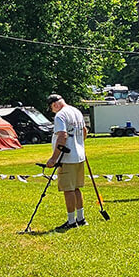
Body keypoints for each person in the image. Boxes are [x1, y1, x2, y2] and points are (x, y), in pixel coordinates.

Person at [45, 93, 88, 231]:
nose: (53, 111)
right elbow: (84, 131)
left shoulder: (60, 115)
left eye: (52, 108)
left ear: (55, 104)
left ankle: (71, 221)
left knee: (68, 189)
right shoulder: (76, 111)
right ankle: (81, 218)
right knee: (76, 188)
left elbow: (62, 136)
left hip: (67, 158)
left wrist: (54, 158)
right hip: (80, 156)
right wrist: (79, 144)